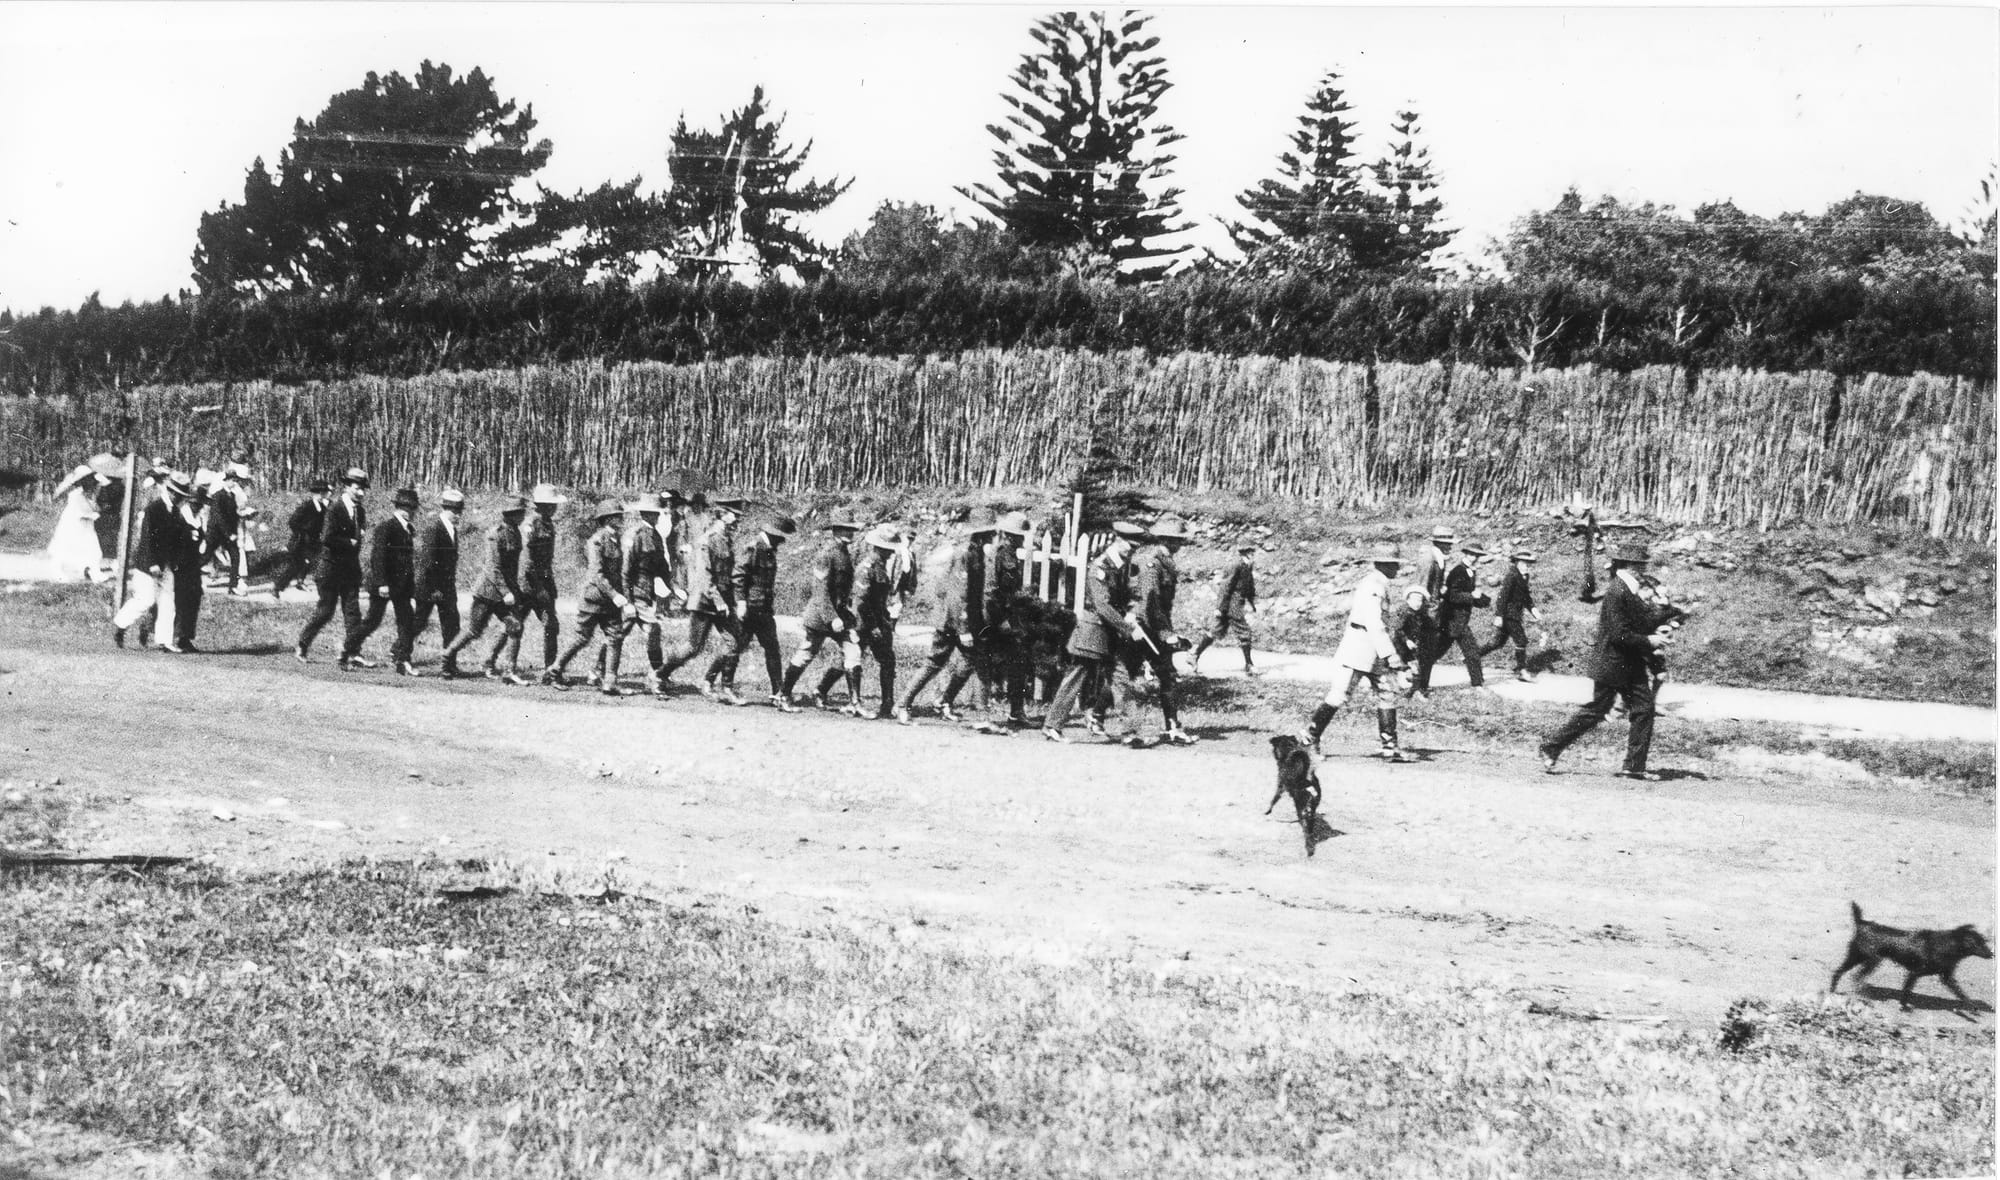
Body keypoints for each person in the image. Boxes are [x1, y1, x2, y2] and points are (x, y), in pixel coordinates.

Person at [1537, 541, 1676, 781]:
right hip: (1613, 662)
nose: (1644, 570)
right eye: (1640, 565)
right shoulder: (1617, 591)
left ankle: (1634, 767)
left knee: (1644, 709)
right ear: (1629, 566)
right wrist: (1650, 641)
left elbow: (1642, 622)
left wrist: (1670, 612)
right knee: (1597, 710)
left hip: (1628, 663)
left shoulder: (1628, 589)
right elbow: (1618, 634)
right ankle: (1551, 747)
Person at [1302, 545, 1412, 761]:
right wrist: (1390, 654)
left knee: (1387, 692)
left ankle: (1390, 746)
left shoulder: (1380, 584)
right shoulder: (1373, 586)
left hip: (1373, 648)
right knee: (1340, 694)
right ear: (1383, 565)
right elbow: (1373, 622)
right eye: (1393, 564)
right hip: (1360, 647)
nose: (1397, 569)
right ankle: (1309, 739)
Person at [1042, 521, 1146, 743]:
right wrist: (1127, 628)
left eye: (1136, 548)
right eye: (1130, 546)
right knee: (1076, 677)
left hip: (1111, 633)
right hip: (1094, 631)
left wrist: (1131, 612)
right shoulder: (1100, 567)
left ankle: (1130, 732)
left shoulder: (1123, 566)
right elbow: (1102, 605)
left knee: (1121, 679)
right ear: (1118, 540)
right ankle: (1052, 725)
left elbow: (1132, 594)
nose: (1132, 551)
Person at [895, 508, 995, 726]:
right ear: (982, 533)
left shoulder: (975, 552)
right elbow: (959, 594)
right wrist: (964, 629)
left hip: (956, 620)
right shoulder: (965, 554)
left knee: (971, 661)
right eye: (991, 532)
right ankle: (903, 704)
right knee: (936, 662)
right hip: (953, 621)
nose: (994, 535)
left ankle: (944, 702)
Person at [658, 494, 744, 699]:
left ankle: (718, 685)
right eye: (734, 515)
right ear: (722, 514)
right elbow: (705, 575)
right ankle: (660, 675)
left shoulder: (725, 539)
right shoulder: (707, 540)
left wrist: (732, 601)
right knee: (693, 647)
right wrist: (719, 601)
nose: (738, 519)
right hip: (705, 601)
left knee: (734, 643)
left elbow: (727, 575)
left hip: (721, 602)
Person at [547, 499, 632, 695]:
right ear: (608, 519)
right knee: (581, 638)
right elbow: (597, 574)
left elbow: (618, 573)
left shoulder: (616, 539)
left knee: (615, 637)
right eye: (618, 516)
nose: (622, 518)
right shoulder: (596, 541)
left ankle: (610, 682)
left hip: (610, 602)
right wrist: (615, 595)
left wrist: (621, 595)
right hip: (594, 599)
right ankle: (554, 670)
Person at [780, 511, 862, 710]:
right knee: (806, 654)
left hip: (839, 616)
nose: (849, 533)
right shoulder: (826, 555)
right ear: (835, 531)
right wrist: (831, 618)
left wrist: (847, 619)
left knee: (853, 651)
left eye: (851, 529)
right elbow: (820, 592)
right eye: (845, 529)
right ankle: (783, 695)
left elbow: (843, 593)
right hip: (820, 617)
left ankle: (854, 703)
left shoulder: (844, 554)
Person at [444, 495, 530, 683]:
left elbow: (512, 568)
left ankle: (509, 672)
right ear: (511, 514)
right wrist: (506, 592)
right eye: (521, 512)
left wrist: (514, 591)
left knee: (515, 626)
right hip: (488, 591)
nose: (524, 515)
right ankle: (447, 656)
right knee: (474, 630)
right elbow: (493, 568)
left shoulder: (515, 532)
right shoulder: (495, 534)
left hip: (502, 593)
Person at [1130, 515, 1197, 746]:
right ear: (1166, 539)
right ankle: (1096, 715)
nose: (1180, 544)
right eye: (1177, 539)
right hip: (1146, 628)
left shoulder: (1166, 562)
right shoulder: (1153, 564)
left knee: (1165, 676)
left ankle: (1172, 728)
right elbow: (1151, 604)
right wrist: (1166, 634)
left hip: (1155, 626)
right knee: (1132, 674)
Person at [111, 469, 196, 650]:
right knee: (146, 600)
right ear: (170, 491)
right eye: (178, 495)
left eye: (182, 496)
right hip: (147, 564)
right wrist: (152, 563)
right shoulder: (154, 509)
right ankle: (120, 625)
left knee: (167, 602)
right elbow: (147, 538)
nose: (180, 499)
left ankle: (165, 641)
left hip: (167, 564)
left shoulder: (175, 512)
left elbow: (177, 539)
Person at [720, 513, 796, 709]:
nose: (782, 541)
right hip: (750, 608)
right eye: (780, 536)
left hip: (763, 609)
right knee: (736, 646)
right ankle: (721, 685)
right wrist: (741, 602)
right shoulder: (754, 548)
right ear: (773, 534)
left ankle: (777, 692)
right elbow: (739, 576)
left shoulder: (769, 549)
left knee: (772, 649)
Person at [295, 468, 370, 664]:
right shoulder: (335, 509)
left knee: (353, 612)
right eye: (357, 488)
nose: (361, 493)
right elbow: (327, 538)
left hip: (350, 569)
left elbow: (359, 536)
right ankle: (303, 644)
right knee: (325, 611)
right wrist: (348, 542)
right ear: (346, 487)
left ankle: (353, 652)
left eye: (363, 489)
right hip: (330, 569)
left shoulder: (360, 511)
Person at [342, 487, 421, 672]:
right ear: (402, 509)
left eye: (413, 508)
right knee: (372, 621)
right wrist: (382, 583)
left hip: (401, 586)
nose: (413, 512)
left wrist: (411, 587)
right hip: (384, 584)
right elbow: (378, 557)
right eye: (411, 508)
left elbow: (406, 561)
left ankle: (403, 660)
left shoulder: (408, 529)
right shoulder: (386, 527)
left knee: (406, 621)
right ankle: (347, 649)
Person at [984, 510, 1034, 727]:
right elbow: (990, 591)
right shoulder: (998, 555)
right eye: (1017, 535)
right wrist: (1001, 620)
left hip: (1008, 616)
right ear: (1008, 535)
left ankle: (1016, 712)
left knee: (1018, 662)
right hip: (994, 617)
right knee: (977, 664)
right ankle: (947, 700)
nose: (1021, 539)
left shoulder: (1011, 555)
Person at [621, 493, 674, 695]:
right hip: (635, 592)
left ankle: (598, 670)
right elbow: (626, 571)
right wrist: (628, 601)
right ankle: (657, 676)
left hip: (646, 593)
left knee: (618, 633)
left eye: (658, 513)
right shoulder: (635, 535)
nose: (658, 516)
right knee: (653, 629)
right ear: (645, 514)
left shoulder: (655, 536)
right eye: (654, 513)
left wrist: (673, 587)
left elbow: (661, 566)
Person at [849, 524, 903, 720]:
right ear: (877, 548)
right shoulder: (867, 568)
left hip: (878, 622)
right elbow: (861, 602)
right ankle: (842, 697)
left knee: (887, 661)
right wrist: (873, 627)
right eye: (887, 549)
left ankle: (887, 703)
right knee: (852, 660)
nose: (891, 553)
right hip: (864, 623)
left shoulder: (880, 567)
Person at [409, 488, 465, 670]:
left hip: (446, 587)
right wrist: (433, 589)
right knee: (419, 622)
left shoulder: (452, 530)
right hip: (429, 586)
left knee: (452, 625)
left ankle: (449, 665)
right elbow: (427, 562)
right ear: (445, 509)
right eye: (454, 511)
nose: (458, 515)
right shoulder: (434, 528)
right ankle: (400, 652)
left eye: (459, 511)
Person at [1191, 542, 1259, 678]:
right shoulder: (1236, 565)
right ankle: (1249, 665)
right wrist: (1220, 608)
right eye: (1251, 552)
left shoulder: (1247, 566)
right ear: (1246, 553)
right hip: (1232, 604)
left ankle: (1194, 655)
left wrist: (1252, 602)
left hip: (1235, 603)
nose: (1253, 554)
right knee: (1244, 632)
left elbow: (1249, 586)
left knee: (1216, 631)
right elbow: (1226, 587)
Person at [1433, 541, 1494, 688]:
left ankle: (1414, 671)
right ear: (1466, 554)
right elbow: (1452, 596)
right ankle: (1477, 685)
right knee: (1471, 651)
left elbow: (1467, 594)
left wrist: (1484, 600)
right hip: (1453, 619)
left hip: (1458, 620)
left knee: (1437, 651)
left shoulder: (1469, 571)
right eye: (1472, 554)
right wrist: (1472, 596)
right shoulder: (1458, 571)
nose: (1474, 557)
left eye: (1477, 555)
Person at [521, 483, 566, 675]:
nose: (555, 508)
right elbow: (527, 561)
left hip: (544, 583)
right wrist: (539, 589)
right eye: (552, 504)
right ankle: (491, 661)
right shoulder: (530, 524)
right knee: (514, 625)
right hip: (528, 584)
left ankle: (550, 669)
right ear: (543, 505)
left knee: (551, 625)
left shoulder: (548, 523)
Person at [1480, 549, 1543, 682]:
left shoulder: (1524, 576)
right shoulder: (1512, 575)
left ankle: (1472, 656)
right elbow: (1502, 597)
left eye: (1528, 563)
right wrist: (1498, 615)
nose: (1526, 565)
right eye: (1524, 563)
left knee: (1497, 642)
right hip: (1508, 614)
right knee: (1521, 640)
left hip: (1514, 614)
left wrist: (1533, 609)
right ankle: (1522, 671)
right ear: (1517, 562)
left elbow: (1525, 597)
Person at [1408, 523, 1454, 698]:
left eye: (1450, 543)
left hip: (1433, 612)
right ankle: (1418, 688)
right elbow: (1420, 588)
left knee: (1428, 651)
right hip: (1426, 613)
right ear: (1438, 543)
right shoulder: (1428, 560)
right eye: (1446, 543)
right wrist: (1420, 614)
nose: (1450, 547)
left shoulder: (1439, 559)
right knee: (1424, 651)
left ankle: (1422, 686)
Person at [48, 459, 108, 582]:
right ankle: (58, 572)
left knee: (93, 549)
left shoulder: (89, 494)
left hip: (86, 526)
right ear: (81, 481)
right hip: (74, 525)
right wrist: (92, 515)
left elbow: (93, 506)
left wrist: (98, 509)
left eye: (92, 479)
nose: (92, 482)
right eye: (88, 479)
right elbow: (78, 513)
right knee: (66, 548)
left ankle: (93, 572)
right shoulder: (76, 495)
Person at [273, 478, 332, 598]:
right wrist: (302, 532)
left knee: (317, 563)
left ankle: (323, 592)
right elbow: (293, 521)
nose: (326, 495)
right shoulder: (307, 505)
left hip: (314, 541)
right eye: (324, 492)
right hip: (301, 542)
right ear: (318, 493)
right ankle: (278, 588)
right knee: (295, 567)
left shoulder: (322, 507)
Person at [205, 463, 250, 595]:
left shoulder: (232, 496)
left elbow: (232, 516)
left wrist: (245, 514)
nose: (233, 482)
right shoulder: (218, 495)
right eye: (231, 480)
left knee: (236, 557)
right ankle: (188, 578)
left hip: (228, 534)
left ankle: (233, 586)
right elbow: (218, 517)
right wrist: (229, 533)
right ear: (225, 481)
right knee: (205, 557)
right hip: (216, 533)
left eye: (235, 480)